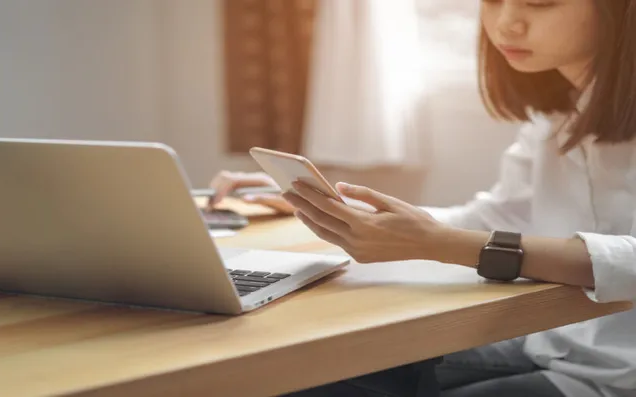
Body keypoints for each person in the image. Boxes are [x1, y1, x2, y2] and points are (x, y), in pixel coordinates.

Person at [208, 1, 636, 396]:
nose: (506, 23)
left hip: (617, 373)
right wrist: (329, 205)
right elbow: (490, 216)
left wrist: (438, 243)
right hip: (552, 342)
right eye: (492, 0)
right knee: (302, 368)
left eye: (540, 1)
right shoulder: (559, 110)